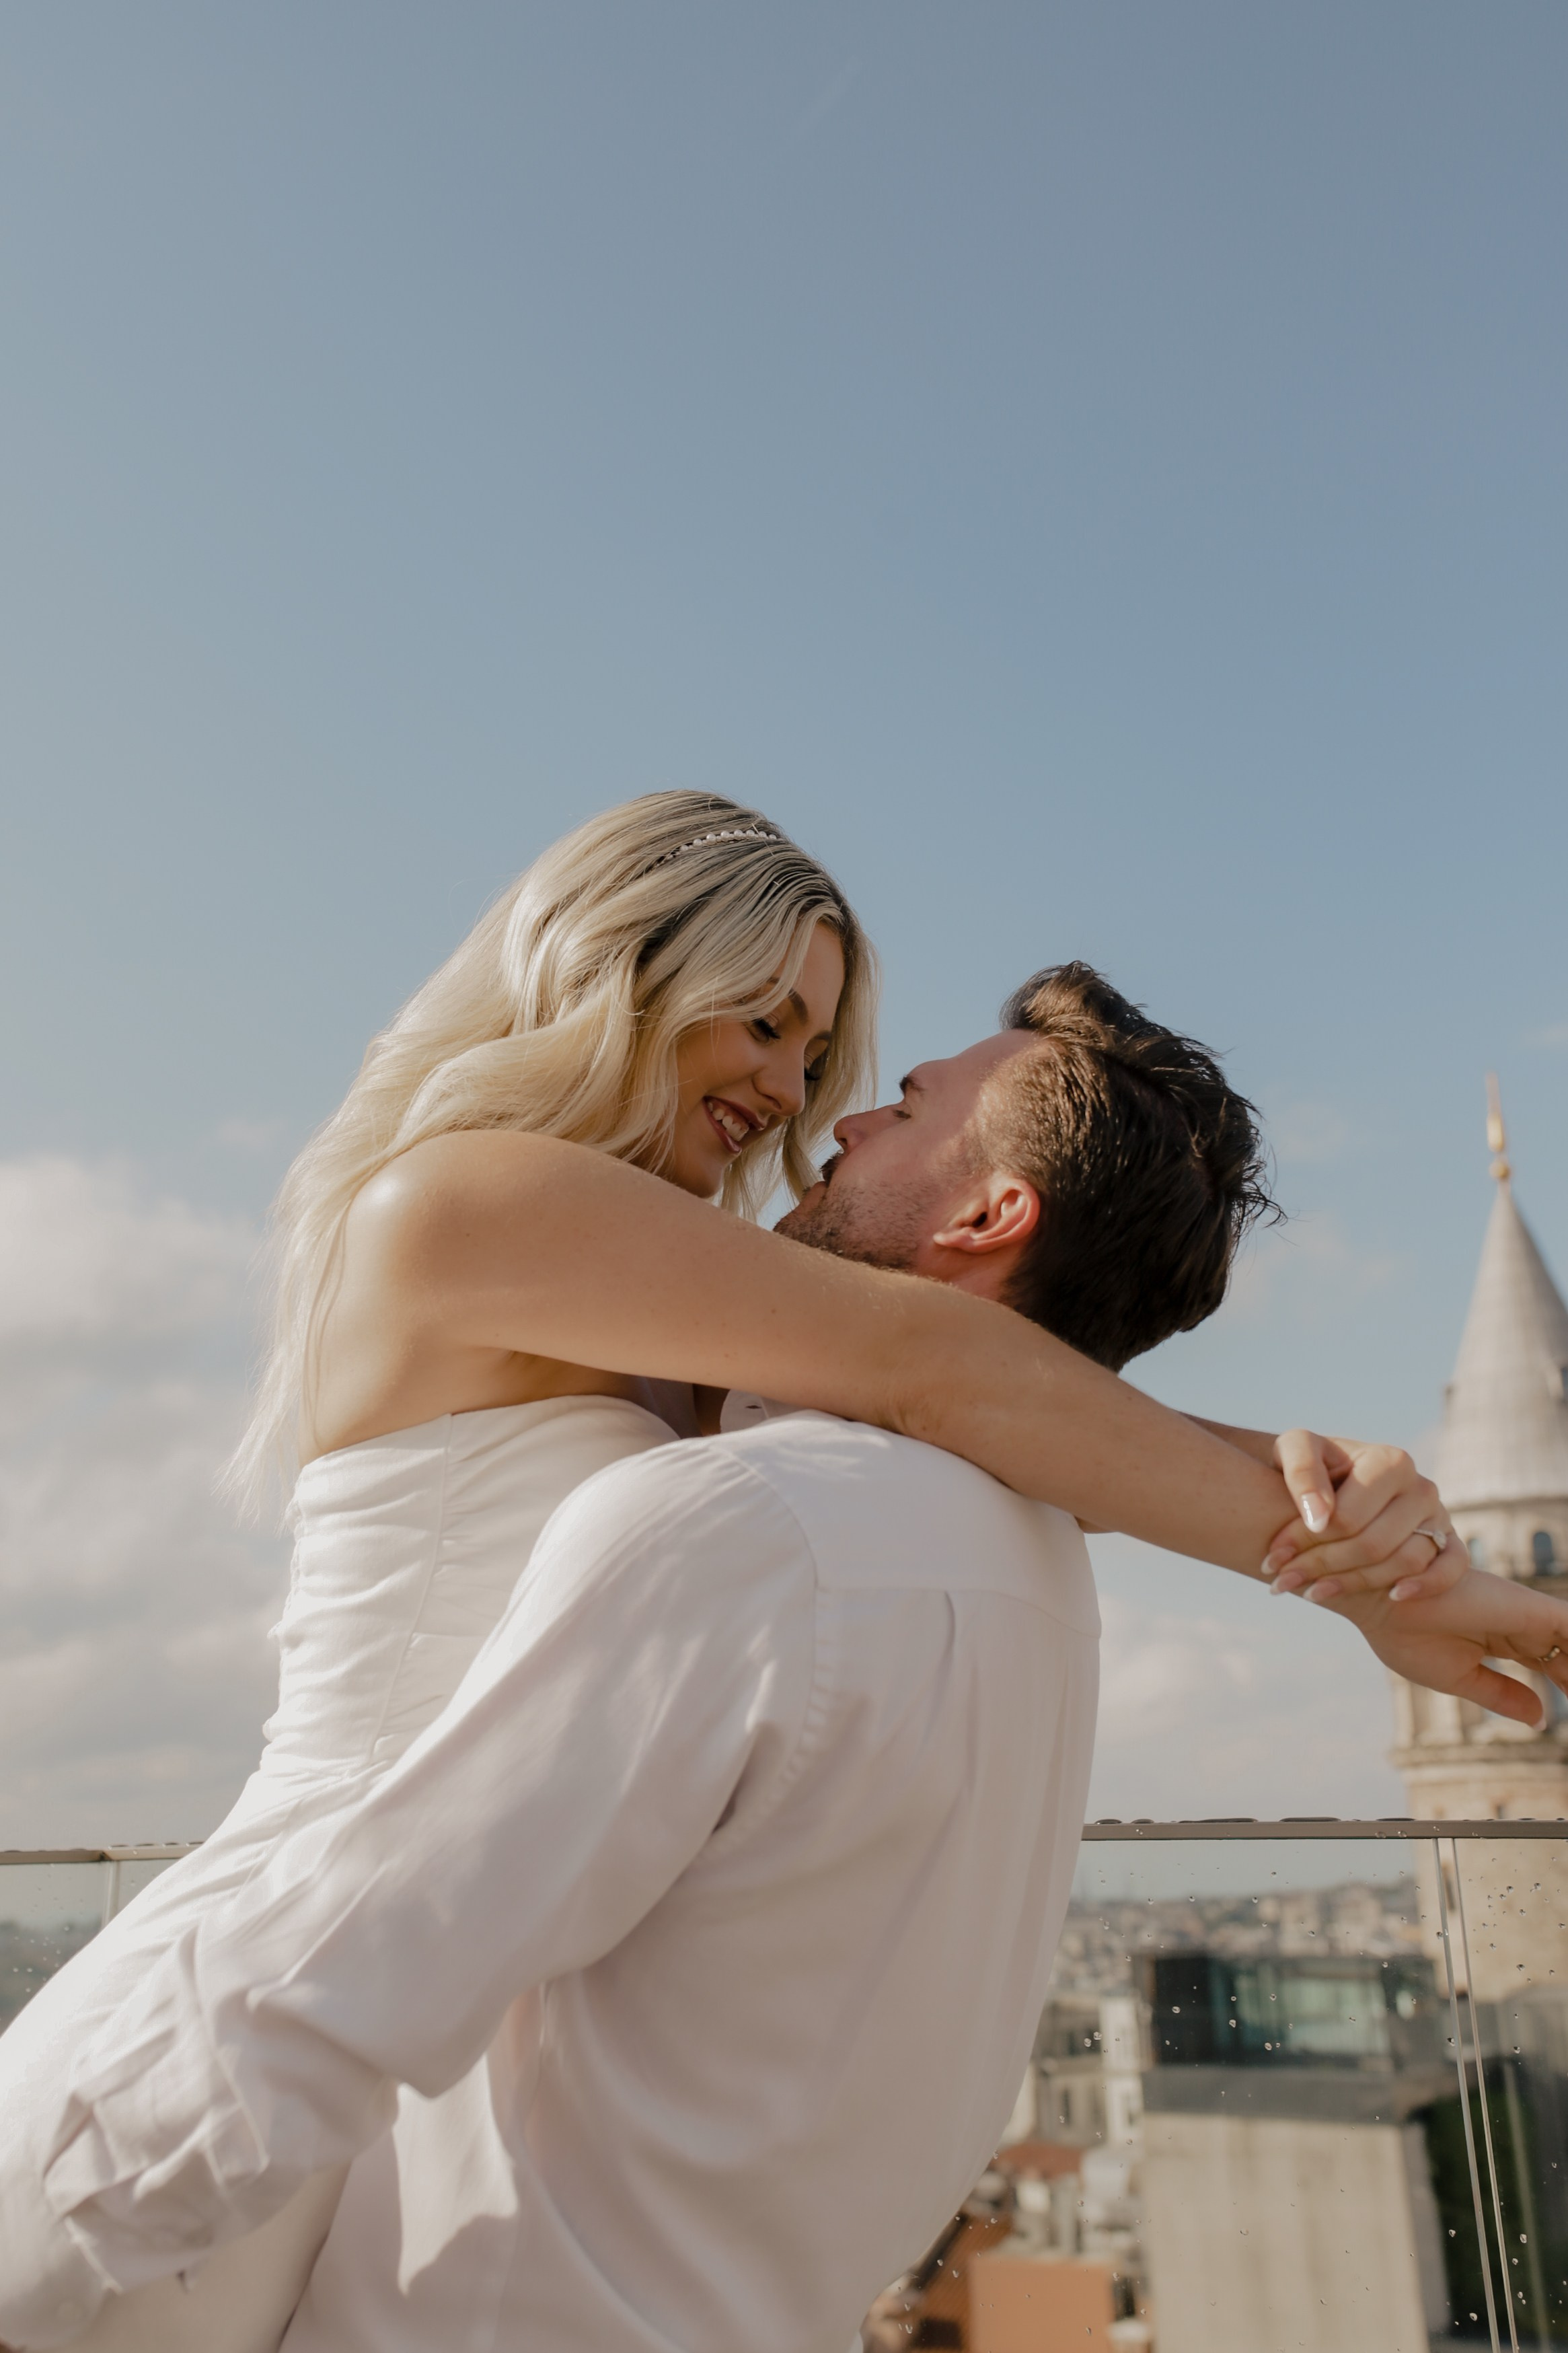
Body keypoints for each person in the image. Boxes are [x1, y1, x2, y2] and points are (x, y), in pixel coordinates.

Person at [3, 984, 1566, 2353]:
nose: (832, 1115)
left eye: (897, 1098)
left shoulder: (741, 1526)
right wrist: (1336, 1544)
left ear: (984, 1216)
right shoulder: (1036, 1564)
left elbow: (342, 1979)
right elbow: (951, 1382)